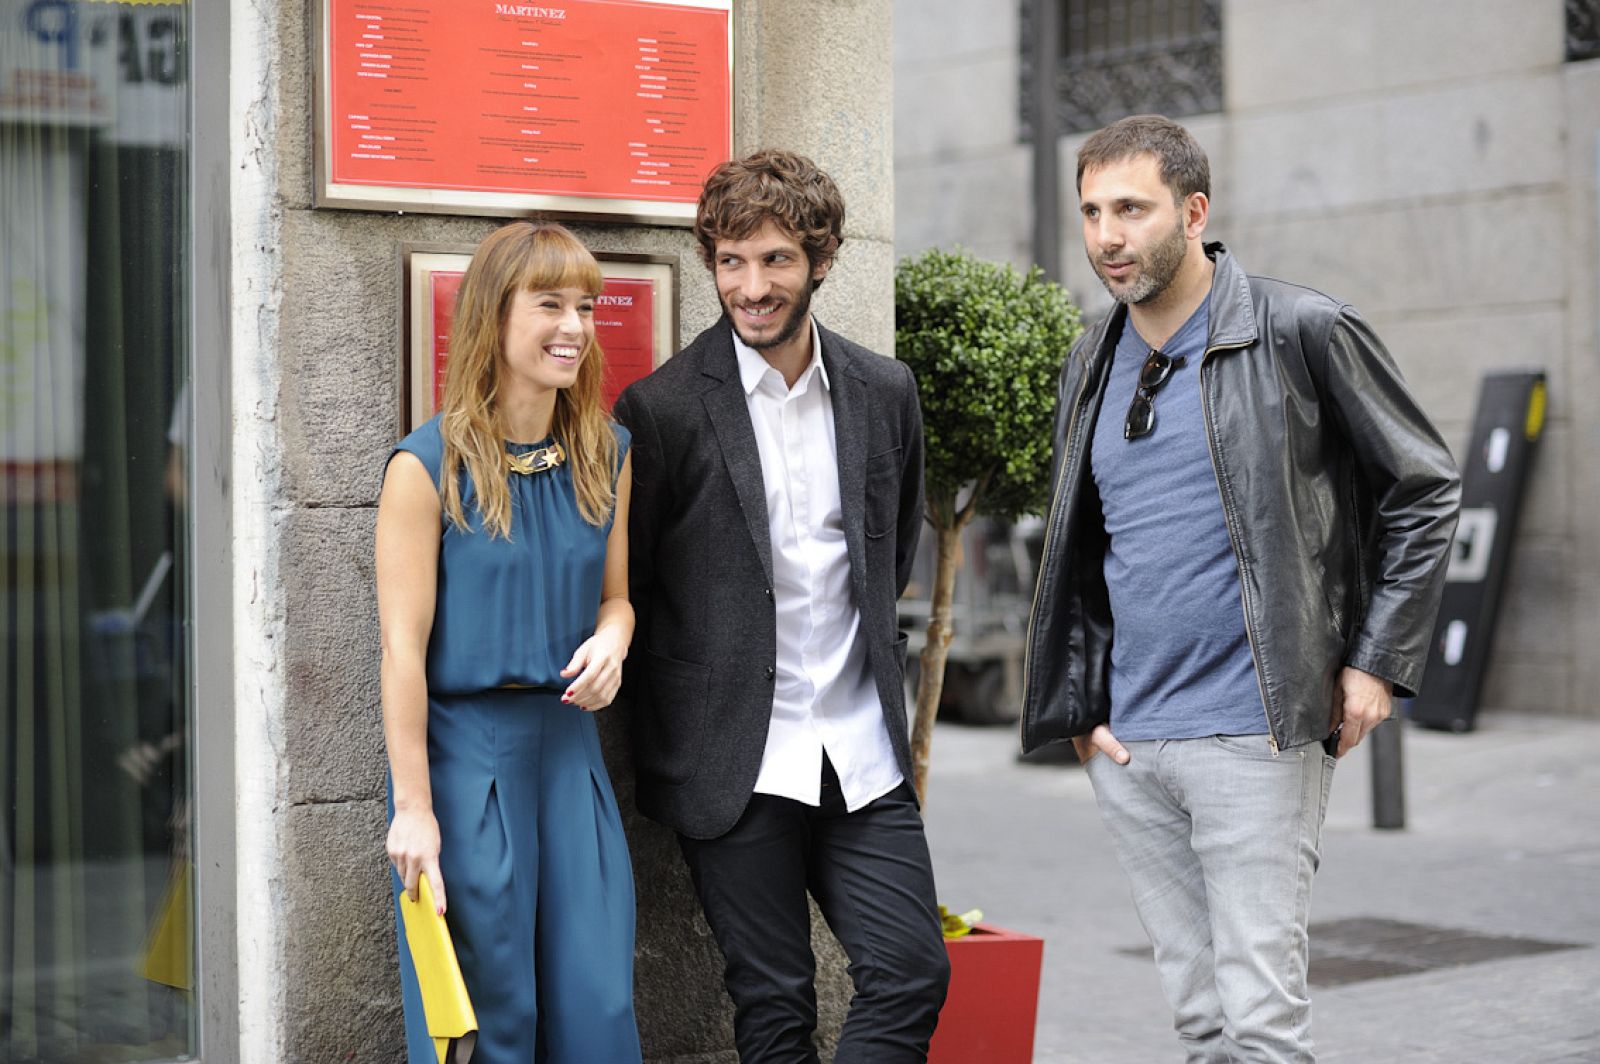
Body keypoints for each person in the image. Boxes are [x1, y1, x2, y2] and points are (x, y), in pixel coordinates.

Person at [1020, 115, 1460, 1062]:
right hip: (1132, 744)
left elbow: (1423, 488)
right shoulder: (1090, 357)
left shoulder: (1303, 330)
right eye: (1092, 211)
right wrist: (1084, 710)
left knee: (1260, 1024)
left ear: (1194, 209)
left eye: (1130, 209)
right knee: (1201, 1023)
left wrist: (1376, 665)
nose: (1106, 236)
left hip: (1254, 731)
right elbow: (1080, 542)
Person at [613, 149, 950, 1063]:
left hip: (859, 749)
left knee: (913, 971)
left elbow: (891, 551)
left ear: (821, 259)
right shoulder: (666, 408)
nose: (750, 286)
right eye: (730, 261)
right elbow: (632, 584)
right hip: (734, 757)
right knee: (773, 1007)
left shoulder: (885, 391)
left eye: (774, 261)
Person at [375, 221, 642, 1063]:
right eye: (551, 304)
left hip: (572, 757)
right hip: (465, 766)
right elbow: (400, 651)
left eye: (587, 307)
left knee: (596, 1004)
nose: (575, 326)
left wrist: (613, 642)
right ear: (494, 316)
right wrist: (414, 810)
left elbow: (618, 599)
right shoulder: (426, 467)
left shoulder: (607, 451)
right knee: (489, 1022)